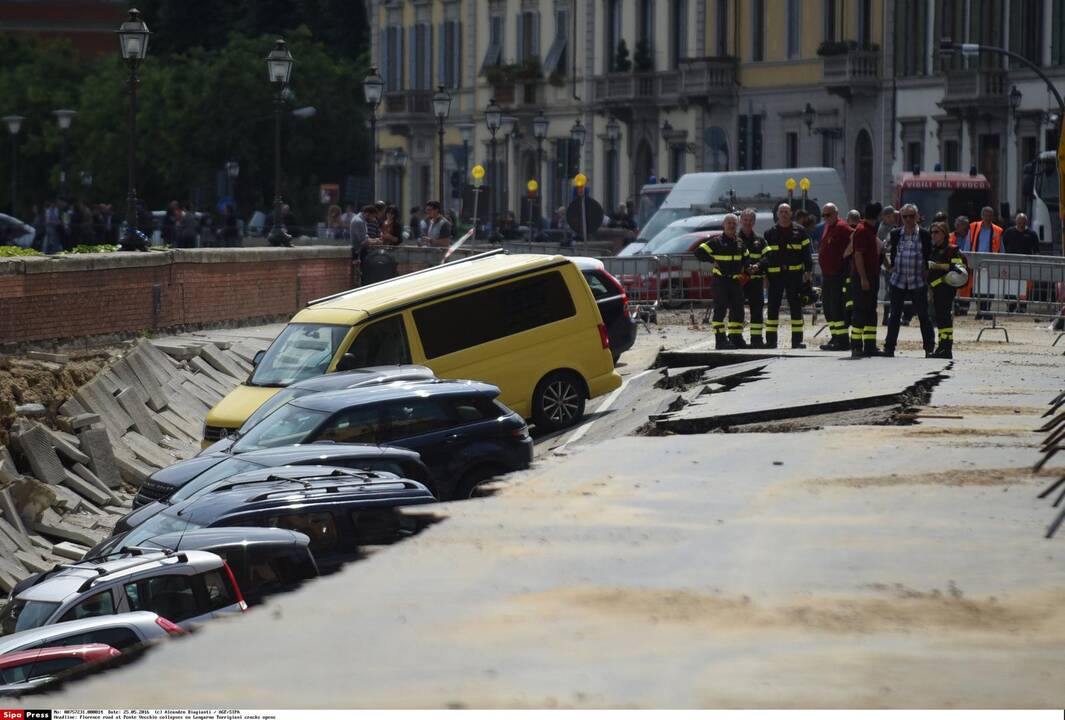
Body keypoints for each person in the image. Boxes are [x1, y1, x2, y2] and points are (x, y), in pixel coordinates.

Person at [882, 203, 935, 357]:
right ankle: (889, 348)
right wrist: (888, 267)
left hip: (917, 281)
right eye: (905, 216)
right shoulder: (895, 233)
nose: (908, 219)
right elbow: (882, 249)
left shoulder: (924, 235)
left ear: (917, 217)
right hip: (898, 280)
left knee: (923, 315)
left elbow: (930, 255)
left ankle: (929, 348)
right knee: (894, 315)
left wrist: (927, 274)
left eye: (911, 216)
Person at [695, 213, 749, 350]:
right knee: (720, 311)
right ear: (724, 225)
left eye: (733, 223)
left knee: (738, 311)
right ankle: (720, 341)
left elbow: (746, 258)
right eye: (729, 223)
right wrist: (712, 260)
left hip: (735, 282)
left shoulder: (740, 243)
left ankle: (736, 338)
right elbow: (699, 252)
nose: (731, 225)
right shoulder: (716, 242)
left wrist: (748, 267)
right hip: (720, 282)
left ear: (737, 225)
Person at [762, 202, 812, 349]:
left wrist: (808, 271)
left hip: (794, 275)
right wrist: (765, 276)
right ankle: (771, 341)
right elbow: (765, 257)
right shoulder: (769, 233)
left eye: (786, 211)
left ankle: (797, 341)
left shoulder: (800, 231)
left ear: (791, 214)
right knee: (773, 307)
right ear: (777, 214)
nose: (784, 214)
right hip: (775, 276)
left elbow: (806, 253)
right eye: (781, 211)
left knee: (796, 307)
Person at [927, 221, 965, 359]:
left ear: (944, 233)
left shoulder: (952, 249)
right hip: (934, 288)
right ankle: (941, 347)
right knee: (939, 319)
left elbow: (957, 268)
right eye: (932, 232)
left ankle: (946, 348)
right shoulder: (932, 249)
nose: (933, 235)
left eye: (936, 232)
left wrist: (938, 266)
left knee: (944, 319)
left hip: (946, 288)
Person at [850, 202, 884, 358]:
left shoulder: (870, 230)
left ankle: (870, 346)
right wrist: (863, 278)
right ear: (878, 215)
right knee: (861, 311)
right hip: (863, 277)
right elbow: (858, 255)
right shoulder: (863, 231)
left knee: (870, 312)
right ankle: (856, 346)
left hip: (872, 276)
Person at [817, 203, 853, 351]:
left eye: (828, 215)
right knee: (827, 308)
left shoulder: (842, 226)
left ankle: (843, 341)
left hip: (838, 275)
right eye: (823, 215)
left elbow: (856, 236)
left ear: (836, 214)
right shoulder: (828, 227)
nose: (826, 218)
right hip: (827, 275)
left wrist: (847, 252)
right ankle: (835, 336)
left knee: (836, 308)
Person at [737, 208, 767, 348]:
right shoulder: (734, 239)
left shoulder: (760, 240)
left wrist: (758, 266)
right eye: (745, 220)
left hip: (756, 281)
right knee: (737, 310)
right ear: (740, 221)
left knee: (757, 310)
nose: (748, 223)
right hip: (739, 281)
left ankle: (756, 339)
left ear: (754, 222)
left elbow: (768, 257)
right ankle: (737, 339)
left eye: (750, 220)